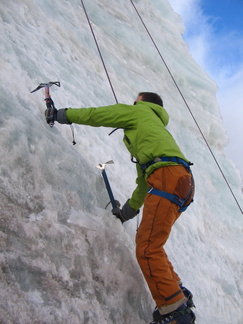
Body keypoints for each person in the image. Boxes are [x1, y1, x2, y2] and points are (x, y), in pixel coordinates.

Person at [46, 92, 195, 324]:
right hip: (182, 182)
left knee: (146, 248)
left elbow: (98, 115)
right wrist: (126, 212)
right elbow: (144, 181)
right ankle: (178, 293)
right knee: (153, 244)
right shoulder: (154, 129)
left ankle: (176, 312)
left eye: (136, 100)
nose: (133, 103)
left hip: (167, 176)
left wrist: (60, 115)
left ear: (142, 102)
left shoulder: (138, 112)